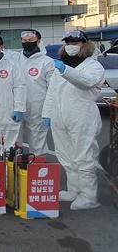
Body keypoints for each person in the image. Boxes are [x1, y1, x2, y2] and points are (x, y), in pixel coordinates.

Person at [42, 31, 104, 210]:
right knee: (65, 155)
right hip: (60, 116)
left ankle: (88, 196)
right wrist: (48, 113)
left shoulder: (93, 66)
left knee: (84, 157)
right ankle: (73, 190)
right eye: (68, 42)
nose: (70, 45)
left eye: (75, 42)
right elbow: (52, 91)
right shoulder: (62, 64)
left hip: (81, 116)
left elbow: (85, 82)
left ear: (84, 44)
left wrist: (65, 70)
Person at [17, 29, 55, 155]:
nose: (27, 43)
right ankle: (15, 171)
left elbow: (52, 88)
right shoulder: (15, 59)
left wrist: (48, 111)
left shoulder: (47, 62)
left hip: (37, 108)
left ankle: (37, 172)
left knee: (37, 144)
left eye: (31, 40)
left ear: (38, 42)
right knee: (14, 142)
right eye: (24, 40)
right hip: (17, 107)